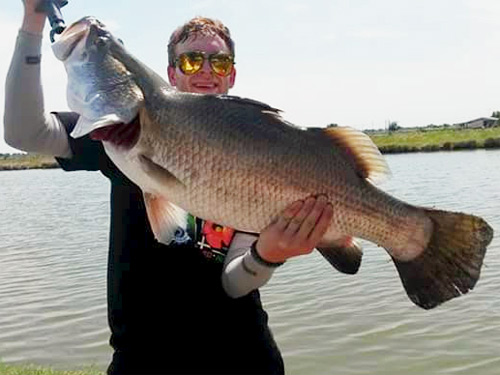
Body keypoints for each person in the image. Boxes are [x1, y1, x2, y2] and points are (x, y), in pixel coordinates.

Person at [4, 1, 334, 374]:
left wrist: (269, 253)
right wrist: (32, 24)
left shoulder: (263, 150)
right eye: (192, 61)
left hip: (243, 357)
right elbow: (23, 132)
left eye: (219, 62)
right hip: (142, 358)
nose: (206, 70)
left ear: (232, 75)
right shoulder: (120, 130)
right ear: (171, 74)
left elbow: (235, 284)